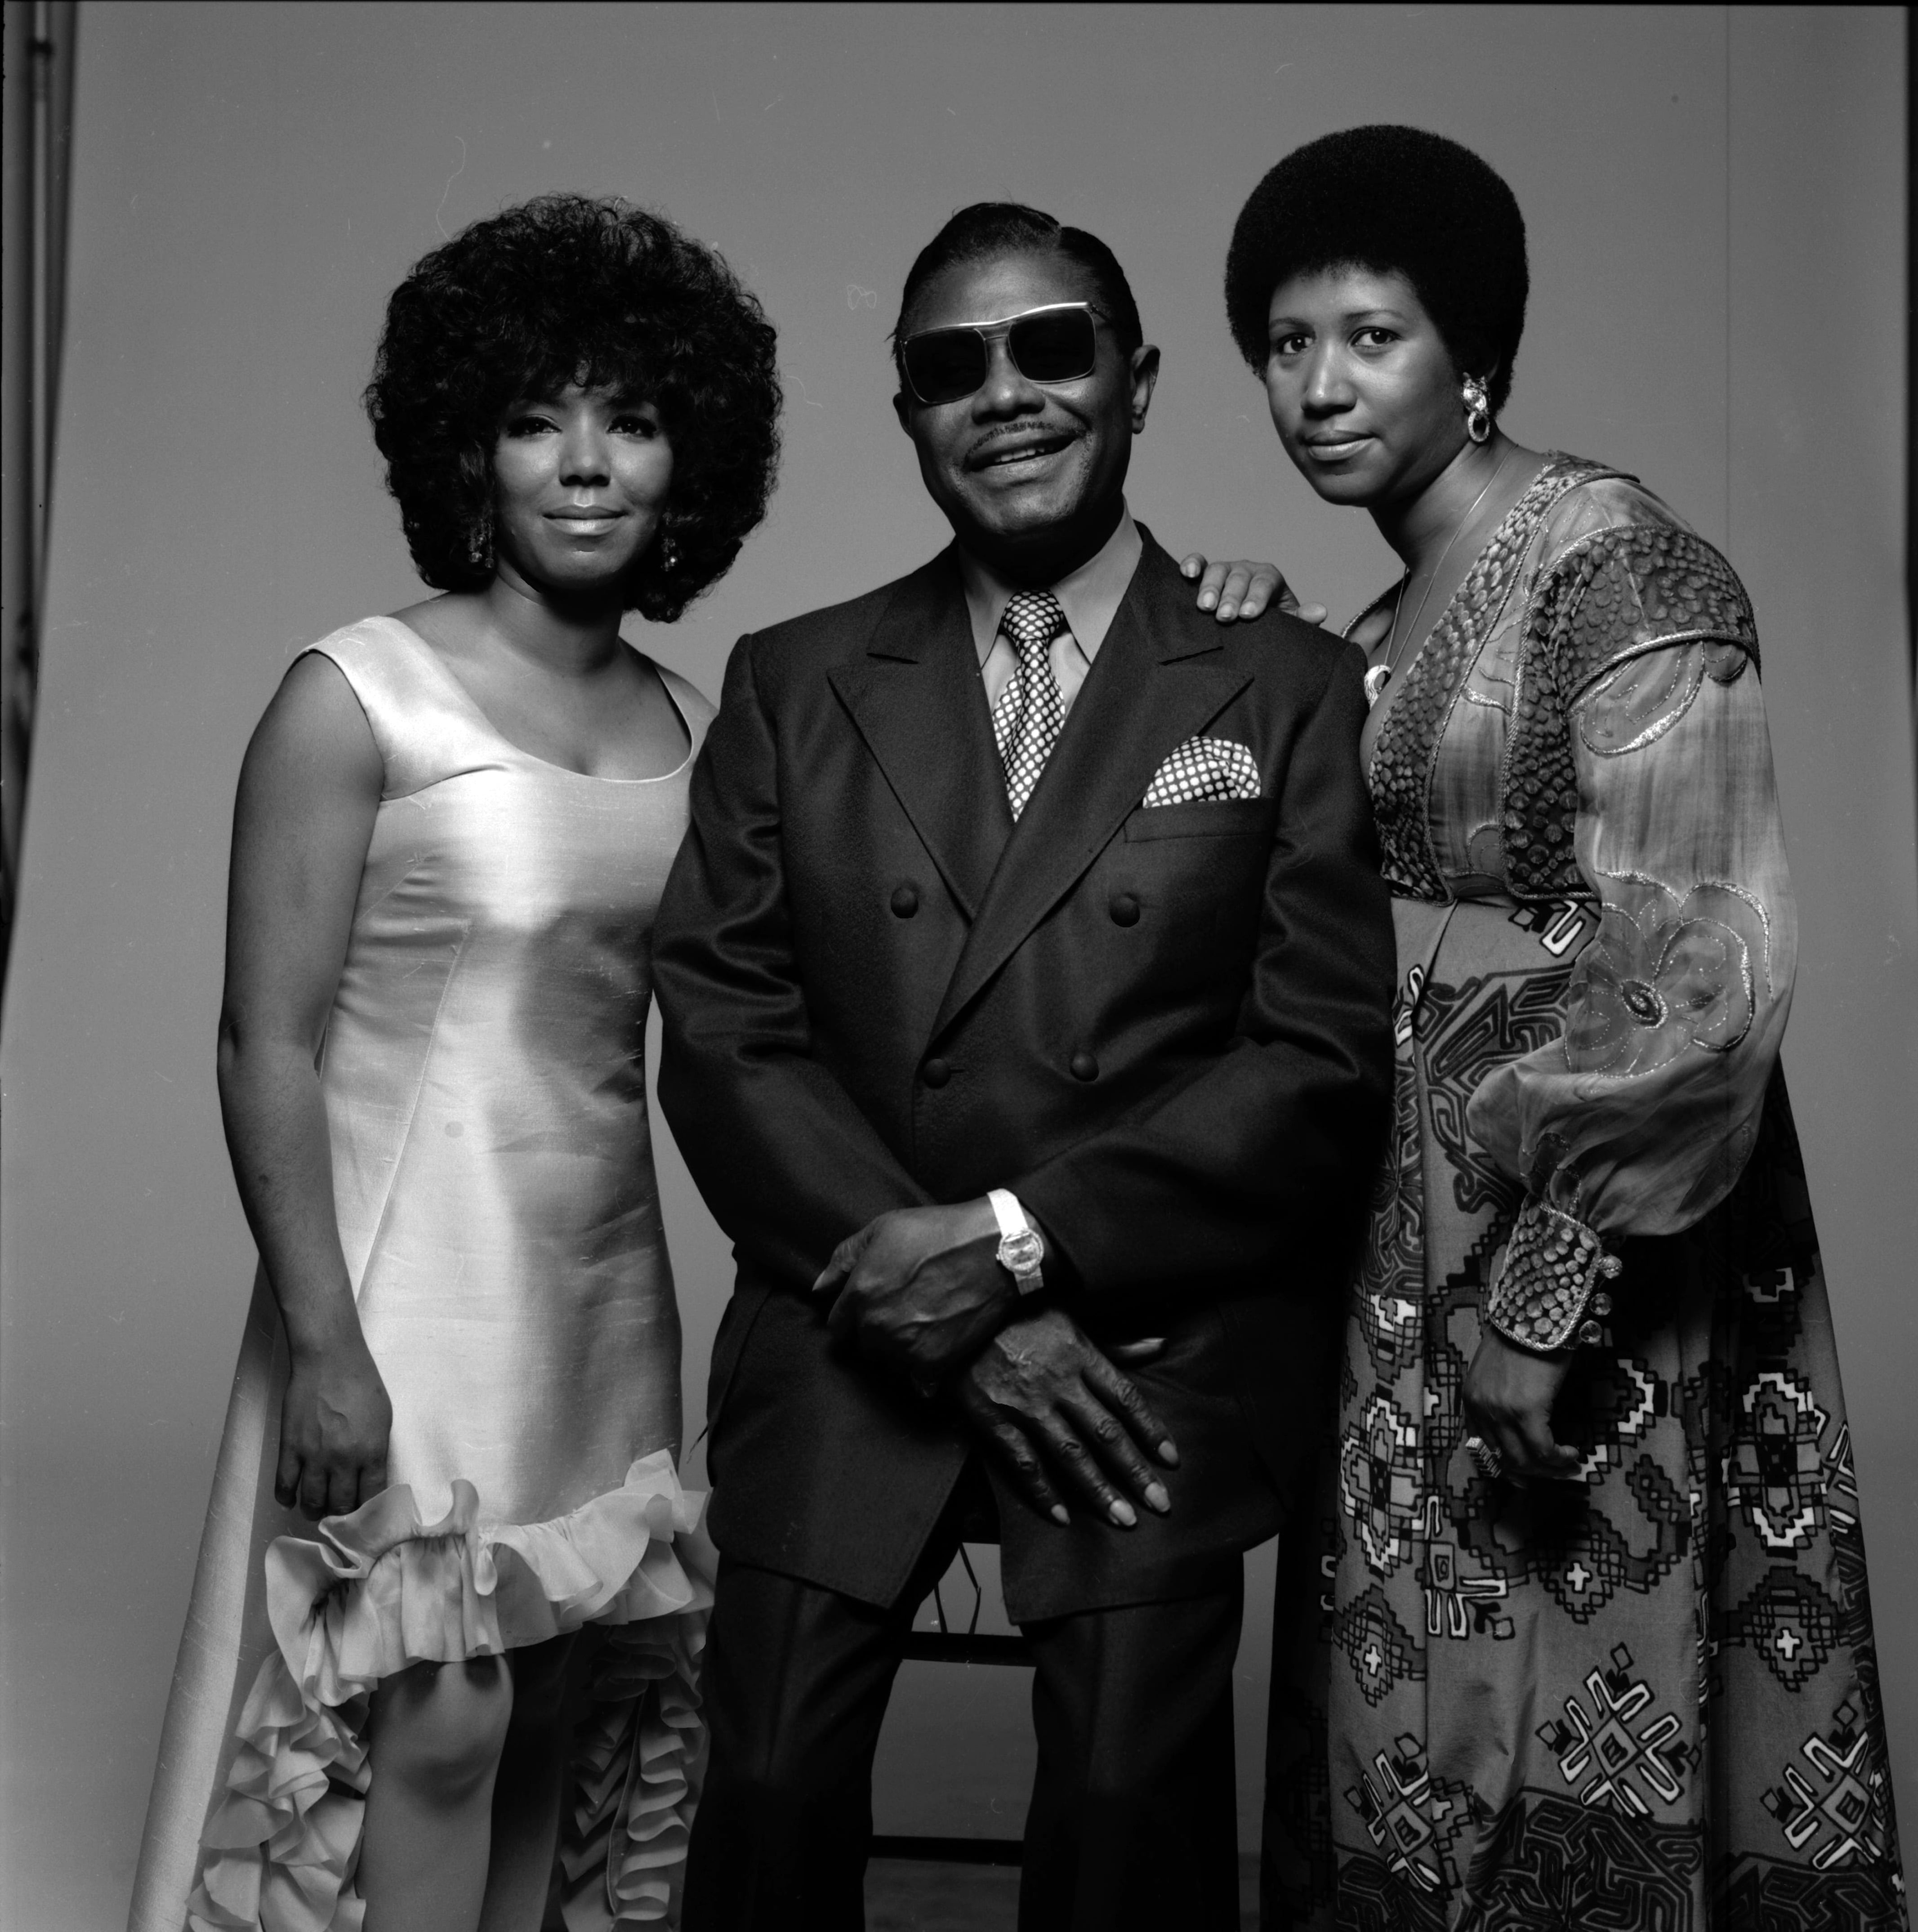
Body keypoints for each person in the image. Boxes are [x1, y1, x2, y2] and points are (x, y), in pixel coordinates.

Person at [649, 199, 1396, 1932]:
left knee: (1134, 1808)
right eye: (948, 367)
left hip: (1146, 1331)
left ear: (1132, 382)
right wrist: (937, 1285)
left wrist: (1011, 1250)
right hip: (852, 1310)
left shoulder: (1281, 684)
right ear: (906, 413)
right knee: (756, 1786)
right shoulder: (795, 678)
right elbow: (725, 1026)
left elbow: (1312, 1056)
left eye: (1049, 346)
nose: (1005, 394)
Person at [1224, 127, 1908, 1928]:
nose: (1316, 386)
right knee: (1415, 1708)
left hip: (1586, 1233)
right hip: (1395, 1220)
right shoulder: (1373, 616)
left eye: (1368, 337)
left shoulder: (1617, 570)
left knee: (1571, 1677)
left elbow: (1695, 969)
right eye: (1283, 345)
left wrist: (1548, 1288)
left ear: (1476, 355)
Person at [129, 195, 781, 1932]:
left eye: (630, 420)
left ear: (685, 464)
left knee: (569, 1716)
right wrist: (326, 1340)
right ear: (465, 450)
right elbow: (261, 1037)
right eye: (534, 418)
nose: (584, 465)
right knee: (433, 1722)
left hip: (602, 1286)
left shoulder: (692, 727)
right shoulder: (360, 697)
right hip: (404, 1283)